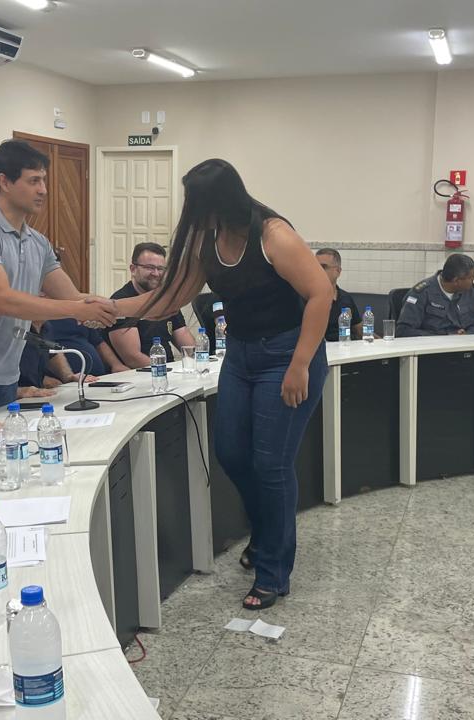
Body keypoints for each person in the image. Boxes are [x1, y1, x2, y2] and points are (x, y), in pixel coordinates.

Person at [110, 159, 331, 611]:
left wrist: (300, 364)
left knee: (271, 464)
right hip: (243, 356)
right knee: (231, 452)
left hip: (287, 354)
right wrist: (108, 308)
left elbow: (320, 294)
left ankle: (273, 572)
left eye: (197, 202)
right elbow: (170, 298)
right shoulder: (207, 240)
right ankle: (265, 533)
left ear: (221, 201)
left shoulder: (273, 235)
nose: (190, 211)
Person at [0, 139, 117, 418]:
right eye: (33, 181)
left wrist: (128, 306)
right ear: (4, 182)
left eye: (43, 180)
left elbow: (73, 296)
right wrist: (79, 310)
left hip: (7, 374)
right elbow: (3, 301)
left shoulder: (37, 242)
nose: (43, 190)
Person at [108, 243, 195, 367]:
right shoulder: (121, 302)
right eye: (150, 267)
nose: (156, 273)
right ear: (133, 269)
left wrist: (200, 362)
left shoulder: (165, 300)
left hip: (168, 370)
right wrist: (166, 372)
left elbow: (186, 342)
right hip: (141, 374)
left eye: (160, 269)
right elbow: (133, 358)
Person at [396, 254, 474, 337]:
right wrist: (445, 337)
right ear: (456, 281)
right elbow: (403, 330)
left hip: (463, 344)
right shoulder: (421, 293)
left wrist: (466, 335)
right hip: (430, 344)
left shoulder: (470, 292)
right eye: (470, 277)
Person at [316, 248, 362, 342]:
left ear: (338, 271)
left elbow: (359, 329)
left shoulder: (346, 298)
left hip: (347, 345)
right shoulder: (307, 298)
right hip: (324, 347)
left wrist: (381, 343)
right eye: (315, 267)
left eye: (323, 267)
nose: (318, 271)